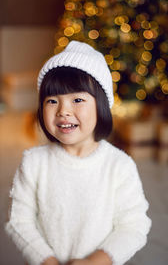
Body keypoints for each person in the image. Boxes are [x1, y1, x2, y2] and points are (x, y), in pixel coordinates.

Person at [5, 41, 151, 265]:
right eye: (52, 101)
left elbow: (134, 226)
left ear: (101, 105)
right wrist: (47, 260)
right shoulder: (34, 163)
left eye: (78, 100)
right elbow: (19, 221)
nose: (63, 111)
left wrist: (95, 261)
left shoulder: (119, 166)